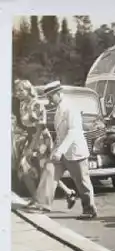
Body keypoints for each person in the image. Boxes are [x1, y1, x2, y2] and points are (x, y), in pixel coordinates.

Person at [24, 81, 97, 219]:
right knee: (49, 169)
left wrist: (60, 151)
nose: (49, 100)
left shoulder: (70, 107)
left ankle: (90, 209)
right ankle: (43, 205)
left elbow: (73, 132)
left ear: (58, 93)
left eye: (51, 96)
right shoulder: (59, 107)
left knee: (82, 182)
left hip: (75, 151)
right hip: (61, 151)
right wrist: (55, 150)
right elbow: (60, 133)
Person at [12, 80, 77, 209]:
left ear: (28, 90)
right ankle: (40, 198)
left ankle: (41, 200)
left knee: (43, 171)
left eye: (21, 90)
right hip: (31, 138)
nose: (17, 93)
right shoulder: (22, 103)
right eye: (16, 90)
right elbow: (26, 125)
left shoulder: (37, 104)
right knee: (24, 169)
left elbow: (40, 128)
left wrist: (30, 148)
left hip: (41, 139)